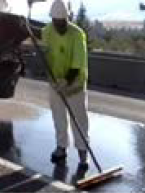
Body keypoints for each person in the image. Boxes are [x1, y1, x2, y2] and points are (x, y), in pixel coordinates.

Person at [41, 0, 89, 168]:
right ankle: (61, 147)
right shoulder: (47, 31)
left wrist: (67, 81)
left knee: (79, 120)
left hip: (75, 83)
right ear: (52, 20)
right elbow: (43, 50)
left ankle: (83, 154)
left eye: (63, 22)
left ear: (68, 19)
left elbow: (77, 64)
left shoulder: (77, 34)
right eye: (56, 22)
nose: (60, 26)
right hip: (55, 82)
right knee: (58, 117)